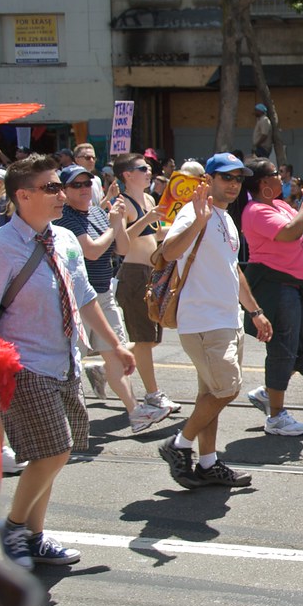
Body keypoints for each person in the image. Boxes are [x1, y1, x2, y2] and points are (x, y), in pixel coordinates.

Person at [0, 154, 137, 569]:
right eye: (52, 187)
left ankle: (33, 535)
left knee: (49, 455)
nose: (62, 194)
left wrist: (114, 346)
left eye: (60, 186)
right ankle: (14, 526)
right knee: (57, 448)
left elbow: (85, 298)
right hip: (21, 365)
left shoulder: (65, 239)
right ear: (23, 195)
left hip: (65, 362)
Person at [157, 153, 273, 489]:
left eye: (238, 179)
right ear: (208, 180)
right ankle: (178, 444)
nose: (234, 184)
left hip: (227, 319)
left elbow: (232, 269)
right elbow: (167, 252)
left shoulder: (225, 217)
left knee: (210, 395)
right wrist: (196, 220)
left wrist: (254, 311)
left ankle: (208, 463)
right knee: (227, 388)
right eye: (227, 178)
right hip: (204, 321)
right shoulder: (194, 212)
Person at [53, 165, 170, 433]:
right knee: (69, 363)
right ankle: (57, 417)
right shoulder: (65, 218)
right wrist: (115, 225)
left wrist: (116, 225)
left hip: (102, 294)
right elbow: (92, 252)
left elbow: (123, 247)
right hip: (77, 300)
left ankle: (135, 412)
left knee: (115, 355)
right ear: (64, 191)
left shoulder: (96, 212)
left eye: (86, 184)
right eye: (76, 186)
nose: (83, 190)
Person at [232, 158, 303, 435]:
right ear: (264, 184)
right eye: (276, 174)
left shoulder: (281, 205)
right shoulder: (255, 210)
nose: (283, 177)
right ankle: (276, 416)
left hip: (296, 284)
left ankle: (268, 391)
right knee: (282, 348)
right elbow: (290, 232)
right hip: (275, 285)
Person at [114, 152, 181, 415]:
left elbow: (156, 232)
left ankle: (111, 360)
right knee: (144, 339)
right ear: (127, 175)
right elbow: (121, 242)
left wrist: (182, 226)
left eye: (149, 167)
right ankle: (153, 395)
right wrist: (147, 219)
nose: (149, 171)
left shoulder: (150, 199)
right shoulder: (122, 203)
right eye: (143, 168)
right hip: (133, 273)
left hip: (151, 273)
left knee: (150, 339)